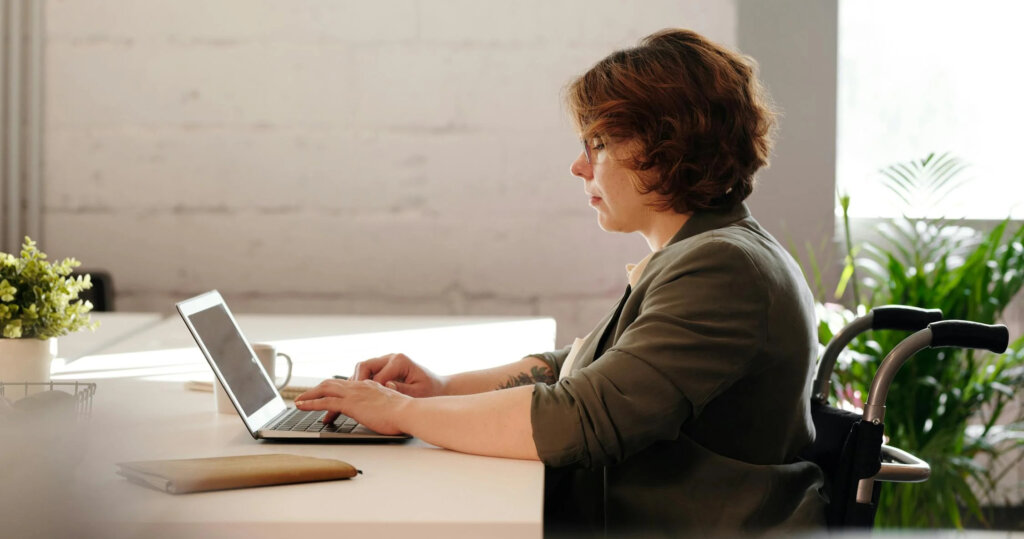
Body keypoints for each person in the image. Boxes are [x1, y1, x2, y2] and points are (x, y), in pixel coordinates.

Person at [295, 28, 826, 536]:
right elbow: (577, 367)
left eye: (598, 144)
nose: (578, 166)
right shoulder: (706, 251)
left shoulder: (722, 270)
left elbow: (582, 417)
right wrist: (441, 387)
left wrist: (405, 413)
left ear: (666, 149)